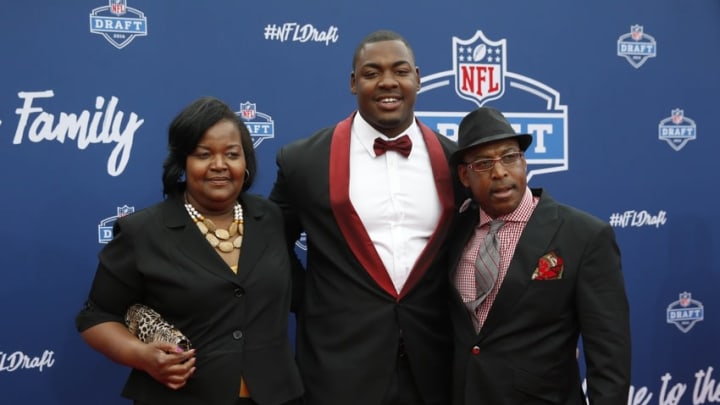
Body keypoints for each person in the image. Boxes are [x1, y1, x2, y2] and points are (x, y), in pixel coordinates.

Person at [269, 30, 461, 405]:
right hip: (338, 366)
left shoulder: (458, 163)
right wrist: (315, 299)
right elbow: (270, 243)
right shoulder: (303, 160)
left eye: (400, 71)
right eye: (372, 73)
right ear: (354, 82)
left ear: (418, 78)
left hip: (436, 365)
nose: (388, 82)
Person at [75, 96, 303, 405]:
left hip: (277, 396)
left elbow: (301, 294)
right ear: (183, 163)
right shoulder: (143, 231)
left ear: (246, 163)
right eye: (203, 154)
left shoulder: (270, 218)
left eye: (232, 154)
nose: (219, 165)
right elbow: (95, 317)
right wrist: (143, 356)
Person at [447, 106, 631, 404]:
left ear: (524, 161)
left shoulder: (583, 235)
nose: (500, 172)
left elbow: (610, 355)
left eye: (509, 157)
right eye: (483, 163)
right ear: (464, 176)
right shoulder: (454, 234)